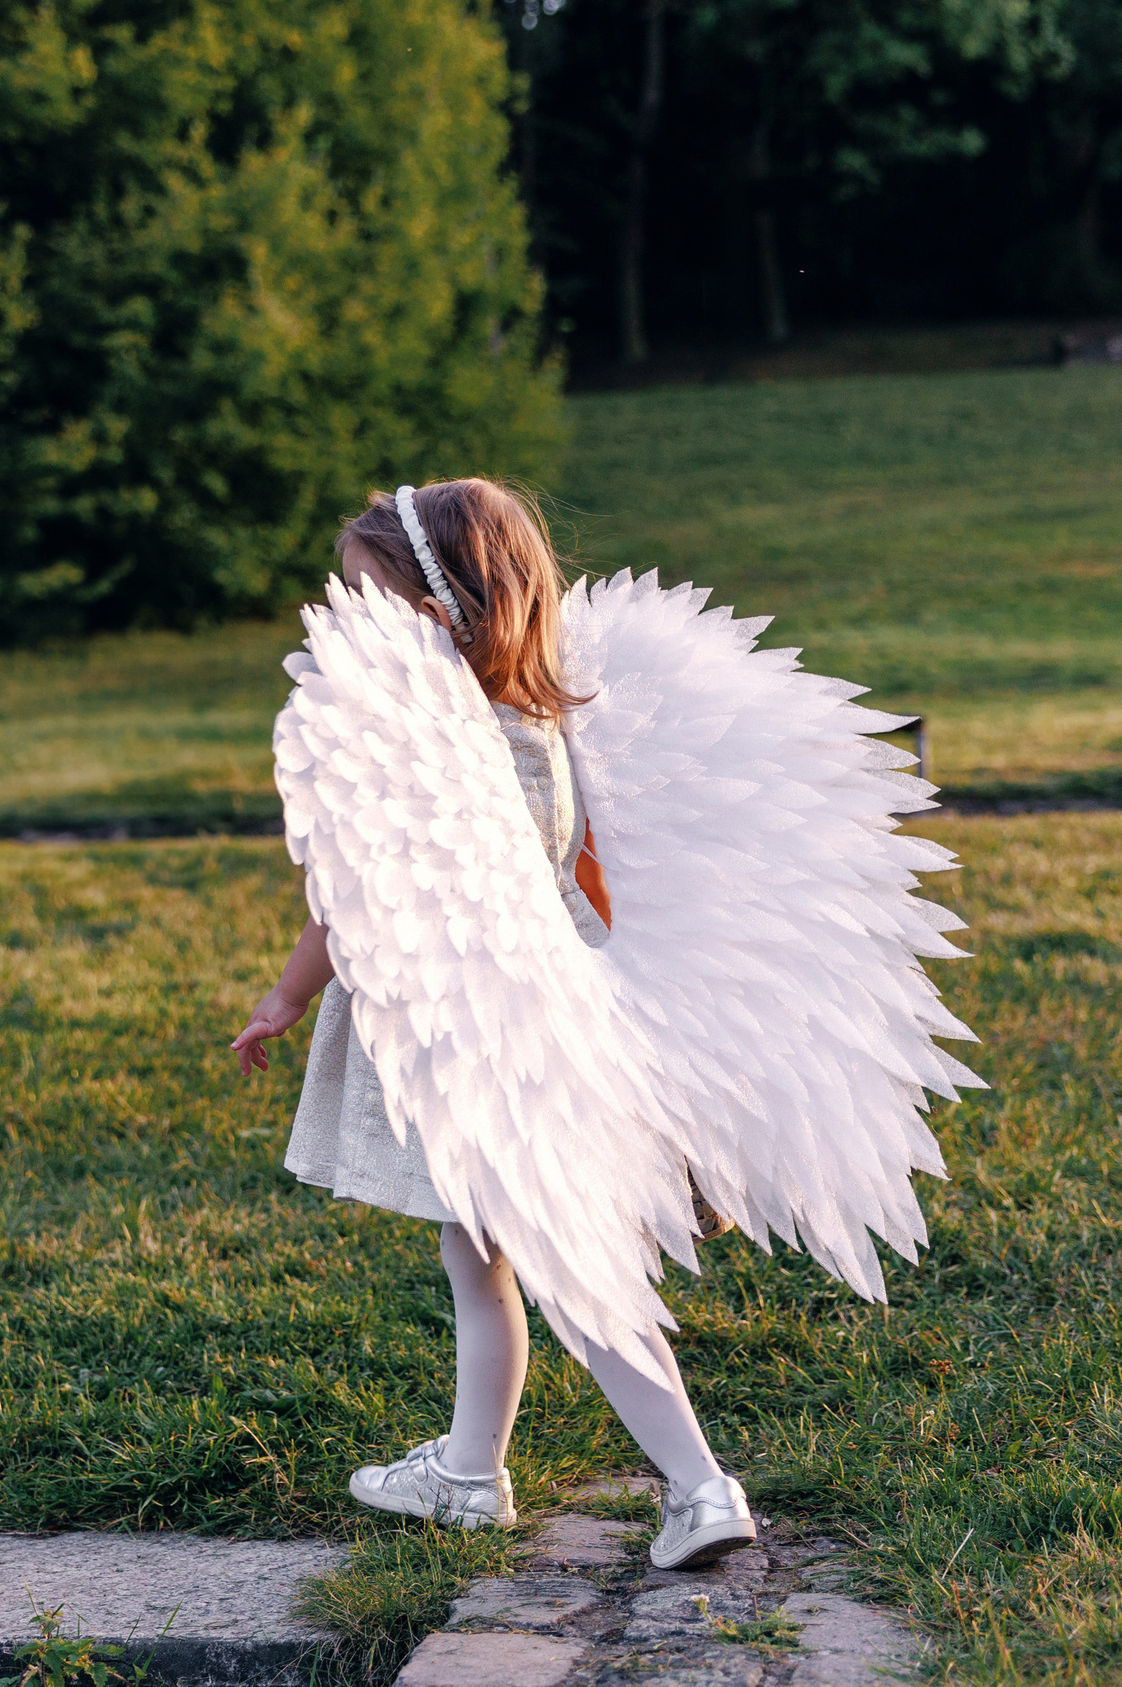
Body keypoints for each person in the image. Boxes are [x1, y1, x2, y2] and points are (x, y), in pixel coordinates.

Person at [231, 477, 977, 1571]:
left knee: (557, 1263)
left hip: (492, 1036)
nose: (356, 627)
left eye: (368, 598)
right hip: (548, 1006)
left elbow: (348, 905)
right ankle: (468, 1474)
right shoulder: (543, 716)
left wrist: (284, 998)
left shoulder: (436, 747)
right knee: (479, 1252)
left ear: (434, 611)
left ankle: (696, 1486)